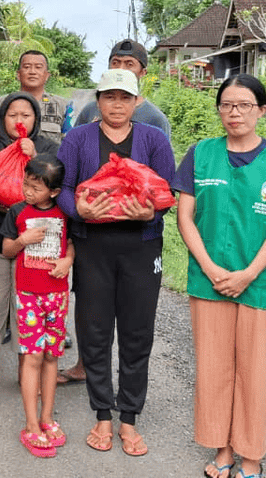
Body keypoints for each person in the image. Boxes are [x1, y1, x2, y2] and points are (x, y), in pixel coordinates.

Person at [172, 73, 266, 478]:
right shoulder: (200, 154)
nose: (235, 113)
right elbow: (185, 218)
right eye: (227, 105)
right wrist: (213, 268)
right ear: (219, 109)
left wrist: (248, 273)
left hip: (260, 284)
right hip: (208, 281)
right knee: (214, 368)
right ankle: (223, 449)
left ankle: (251, 455)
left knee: (255, 370)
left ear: (262, 110)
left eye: (244, 105)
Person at [56, 68, 175, 457]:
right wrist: (80, 212)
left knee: (137, 333)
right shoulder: (77, 139)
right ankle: (102, 414)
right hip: (93, 247)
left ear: (137, 102)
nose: (117, 104)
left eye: (125, 97)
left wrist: (150, 215)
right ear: (99, 100)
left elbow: (167, 190)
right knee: (94, 332)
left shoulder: (154, 140)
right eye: (110, 97)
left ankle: (129, 418)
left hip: (141, 248)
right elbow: (63, 189)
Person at [0, 91, 59, 390]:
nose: (19, 120)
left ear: (36, 119)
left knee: (28, 307)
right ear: (2, 117)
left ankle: (26, 368)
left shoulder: (48, 148)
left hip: (36, 242)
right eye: (13, 114)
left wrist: (34, 158)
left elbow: (56, 187)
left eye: (26, 115)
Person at [1, 154, 75, 458]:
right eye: (26, 184)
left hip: (57, 295)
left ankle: (47, 418)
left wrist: (68, 260)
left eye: (35, 188)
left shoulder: (64, 214)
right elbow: (6, 249)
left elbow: (70, 244)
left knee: (51, 356)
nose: (27, 192)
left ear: (54, 192)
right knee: (31, 357)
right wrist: (23, 239)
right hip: (29, 294)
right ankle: (31, 424)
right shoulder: (17, 211)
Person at [74, 39, 170, 138]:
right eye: (115, 63)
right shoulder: (90, 110)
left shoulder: (155, 119)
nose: (121, 69)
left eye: (129, 64)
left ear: (142, 72)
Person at [16, 50, 73, 140]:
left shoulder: (63, 106)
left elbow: (70, 142)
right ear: (18, 75)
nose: (32, 72)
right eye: (27, 67)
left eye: (38, 67)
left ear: (46, 75)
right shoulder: (1, 104)